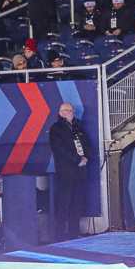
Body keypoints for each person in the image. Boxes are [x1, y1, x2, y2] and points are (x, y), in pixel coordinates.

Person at [49, 103, 91, 241]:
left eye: (71, 110)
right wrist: (76, 160)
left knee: (77, 204)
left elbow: (87, 145)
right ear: (60, 112)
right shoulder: (56, 129)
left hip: (80, 173)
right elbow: (60, 150)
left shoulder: (77, 129)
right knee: (64, 205)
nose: (69, 113)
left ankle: (74, 233)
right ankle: (60, 235)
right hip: (65, 173)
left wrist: (86, 158)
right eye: (66, 110)